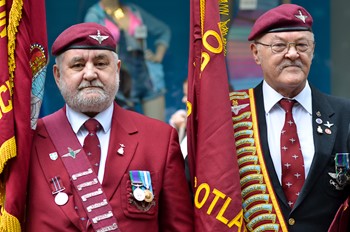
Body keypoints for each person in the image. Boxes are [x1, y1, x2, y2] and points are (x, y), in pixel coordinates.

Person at [25, 22, 193, 231]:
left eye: (101, 63)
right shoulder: (29, 140)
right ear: (57, 75)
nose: (90, 74)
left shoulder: (159, 139)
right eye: (77, 65)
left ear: (118, 70)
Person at [229, 4, 350, 232]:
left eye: (302, 45)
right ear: (256, 53)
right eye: (279, 46)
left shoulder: (345, 115)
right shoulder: (229, 116)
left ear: (313, 51)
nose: (293, 54)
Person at [84, 0, 171, 122]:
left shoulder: (133, 11)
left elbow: (163, 31)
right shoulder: (94, 15)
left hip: (147, 76)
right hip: (120, 80)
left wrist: (158, 56)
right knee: (124, 131)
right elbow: (90, 49)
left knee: (159, 130)